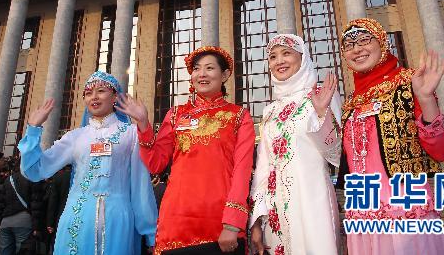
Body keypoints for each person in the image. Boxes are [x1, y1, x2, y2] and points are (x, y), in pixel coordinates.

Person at [117, 46, 255, 254]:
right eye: (197, 69)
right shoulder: (176, 115)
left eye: (210, 68)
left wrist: (232, 223)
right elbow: (156, 163)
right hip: (176, 220)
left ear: (225, 74)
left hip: (219, 221)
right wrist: (144, 124)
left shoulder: (238, 116)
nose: (202, 74)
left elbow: (242, 171)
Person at [336, 18, 444, 255]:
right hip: (363, 209)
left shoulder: (410, 82)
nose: (357, 49)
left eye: (364, 40)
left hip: (404, 206)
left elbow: (441, 151)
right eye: (349, 45)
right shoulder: (351, 103)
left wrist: (427, 99)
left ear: (382, 43)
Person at [18, 71, 157, 255]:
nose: (94, 97)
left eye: (101, 91)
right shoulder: (76, 137)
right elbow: (35, 170)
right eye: (88, 93)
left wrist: (151, 233)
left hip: (117, 219)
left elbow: (140, 186)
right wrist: (33, 130)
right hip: (77, 219)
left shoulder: (130, 133)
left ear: (115, 96)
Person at [249, 34, 342, 255]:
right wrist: (256, 220)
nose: (279, 61)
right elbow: (263, 168)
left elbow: (337, 155)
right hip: (276, 208)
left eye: (287, 53)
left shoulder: (322, 96)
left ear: (303, 58)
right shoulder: (270, 111)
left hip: (312, 200)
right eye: (272, 57)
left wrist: (322, 115)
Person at [0, 162, 44, 255]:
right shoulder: (33, 179)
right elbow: (36, 204)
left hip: (5, 222)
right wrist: (36, 227)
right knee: (23, 250)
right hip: (23, 221)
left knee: (4, 251)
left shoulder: (8, 180)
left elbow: (1, 203)